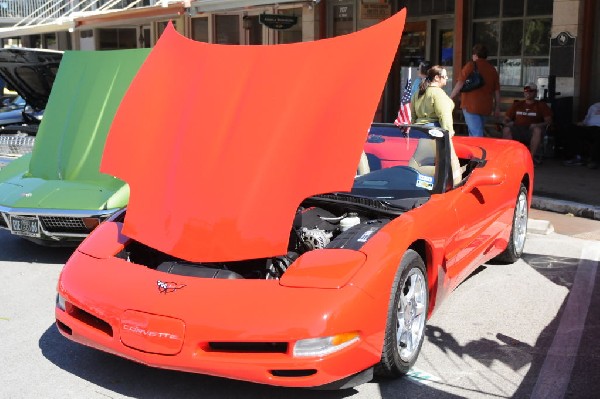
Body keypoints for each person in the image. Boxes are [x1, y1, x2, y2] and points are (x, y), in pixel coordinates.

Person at [410, 65, 462, 186]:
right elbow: (444, 114)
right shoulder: (438, 94)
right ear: (437, 78)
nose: (447, 78)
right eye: (445, 76)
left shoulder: (418, 93)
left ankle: (422, 185)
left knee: (420, 165)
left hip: (421, 133)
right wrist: (448, 133)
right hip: (436, 133)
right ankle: (454, 190)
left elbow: (413, 116)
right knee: (450, 167)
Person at [450, 44, 501, 137]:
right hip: (486, 107)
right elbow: (497, 91)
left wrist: (450, 97)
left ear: (475, 55)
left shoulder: (470, 65)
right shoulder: (492, 69)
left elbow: (459, 84)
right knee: (476, 131)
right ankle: (473, 151)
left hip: (470, 105)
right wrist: (497, 107)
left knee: (476, 134)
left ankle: (478, 151)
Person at [502, 82, 552, 163]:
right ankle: (510, 157)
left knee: (537, 130)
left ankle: (530, 159)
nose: (528, 92)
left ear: (536, 92)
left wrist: (537, 125)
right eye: (526, 90)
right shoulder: (517, 104)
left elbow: (549, 121)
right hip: (518, 130)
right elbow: (505, 119)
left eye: (531, 91)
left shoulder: (541, 105)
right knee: (506, 129)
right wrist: (507, 123)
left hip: (531, 131)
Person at [563, 102, 600, 169]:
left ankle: (594, 161)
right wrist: (582, 123)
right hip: (589, 128)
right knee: (570, 128)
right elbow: (587, 119)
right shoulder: (594, 106)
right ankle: (576, 157)